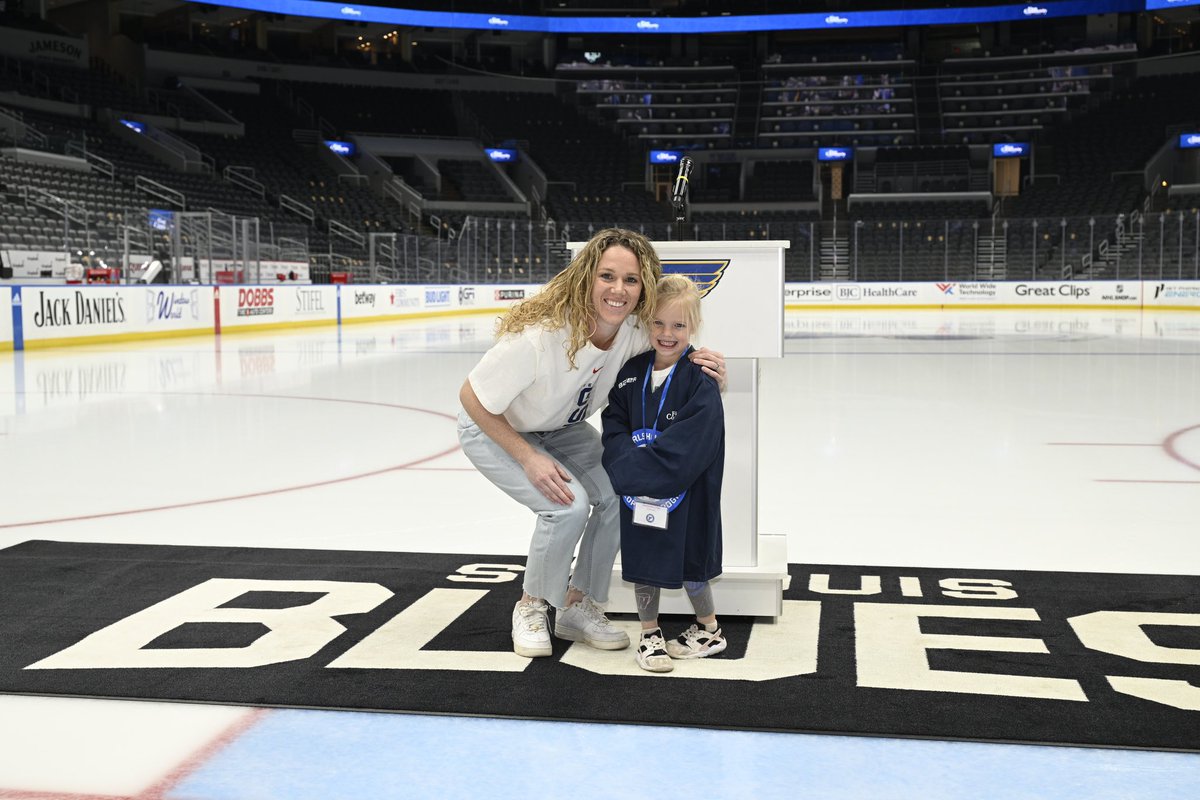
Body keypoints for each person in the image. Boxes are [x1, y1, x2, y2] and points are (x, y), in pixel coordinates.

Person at [457, 228, 725, 658]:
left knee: (622, 492)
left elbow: (672, 343)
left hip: (561, 429)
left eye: (631, 280)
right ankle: (532, 605)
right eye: (607, 276)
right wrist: (527, 457)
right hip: (496, 425)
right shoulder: (540, 336)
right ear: (587, 277)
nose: (618, 289)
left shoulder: (635, 330)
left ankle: (577, 606)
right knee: (566, 505)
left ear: (644, 287)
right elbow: (472, 397)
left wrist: (706, 367)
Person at [600, 274, 725, 673]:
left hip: (684, 493)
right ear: (645, 323)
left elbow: (693, 444)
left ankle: (709, 630)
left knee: (692, 565)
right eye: (658, 323)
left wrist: (635, 472)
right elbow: (614, 425)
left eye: (678, 325)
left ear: (694, 327)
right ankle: (650, 634)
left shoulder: (699, 379)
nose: (667, 334)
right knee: (645, 562)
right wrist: (629, 470)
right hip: (641, 496)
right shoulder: (631, 372)